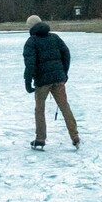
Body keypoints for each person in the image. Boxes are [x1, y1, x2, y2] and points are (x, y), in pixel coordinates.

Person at [23, 14, 80, 150]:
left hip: (42, 81)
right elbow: (66, 53)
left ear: (31, 27)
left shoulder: (31, 42)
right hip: (58, 79)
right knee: (65, 107)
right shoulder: (54, 38)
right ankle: (75, 137)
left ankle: (40, 139)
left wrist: (28, 81)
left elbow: (30, 64)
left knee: (39, 109)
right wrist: (63, 73)